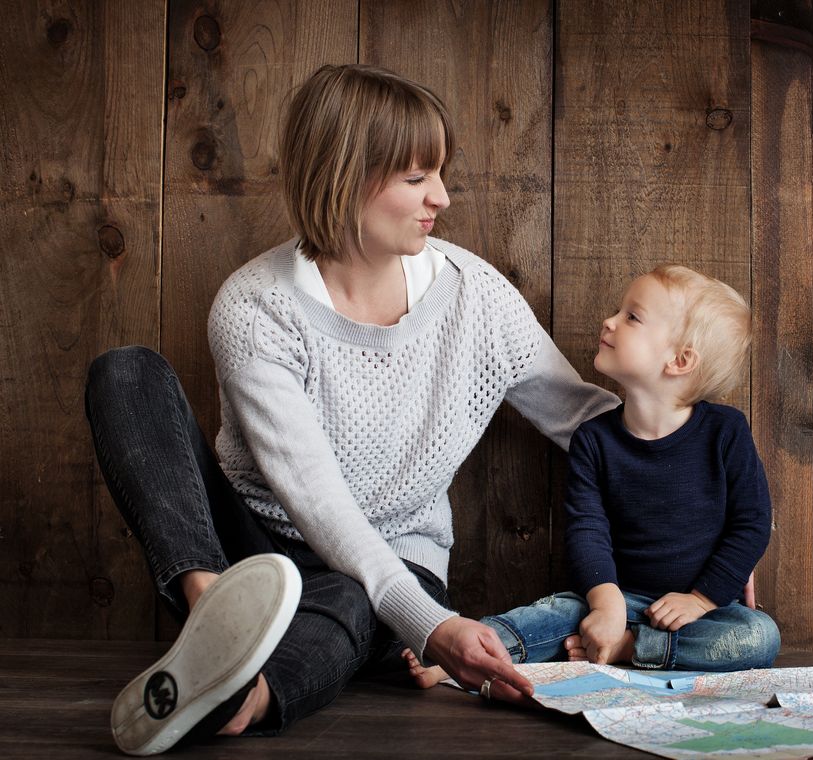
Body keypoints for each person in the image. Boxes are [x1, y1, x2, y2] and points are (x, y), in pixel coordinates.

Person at [84, 63, 618, 755]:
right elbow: (317, 500)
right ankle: (214, 615)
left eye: (439, 174)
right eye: (417, 177)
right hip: (248, 551)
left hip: (392, 564)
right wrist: (433, 629)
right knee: (127, 373)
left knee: (350, 596)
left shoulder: (475, 297)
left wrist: (706, 500)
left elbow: (585, 419)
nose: (443, 198)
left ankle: (243, 695)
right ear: (346, 175)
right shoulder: (254, 307)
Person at [406, 265, 779, 687]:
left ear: (679, 360)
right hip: (617, 596)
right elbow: (587, 529)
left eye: (632, 317)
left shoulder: (725, 432)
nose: (610, 320)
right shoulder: (595, 440)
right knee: (552, 614)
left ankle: (630, 648)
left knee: (758, 637)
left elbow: (750, 524)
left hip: (699, 613)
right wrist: (605, 604)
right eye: (619, 311)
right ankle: (463, 654)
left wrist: (701, 599)